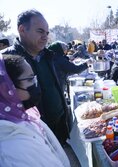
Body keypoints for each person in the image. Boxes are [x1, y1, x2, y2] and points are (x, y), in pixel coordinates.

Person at [1, 9, 70, 145]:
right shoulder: (5, 62)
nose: (45, 37)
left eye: (47, 33)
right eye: (40, 31)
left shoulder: (48, 55)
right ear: (22, 29)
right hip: (30, 134)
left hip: (58, 123)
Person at [0, 53, 70, 166]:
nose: (36, 85)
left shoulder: (22, 116)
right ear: (5, 89)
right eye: (30, 80)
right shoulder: (12, 151)